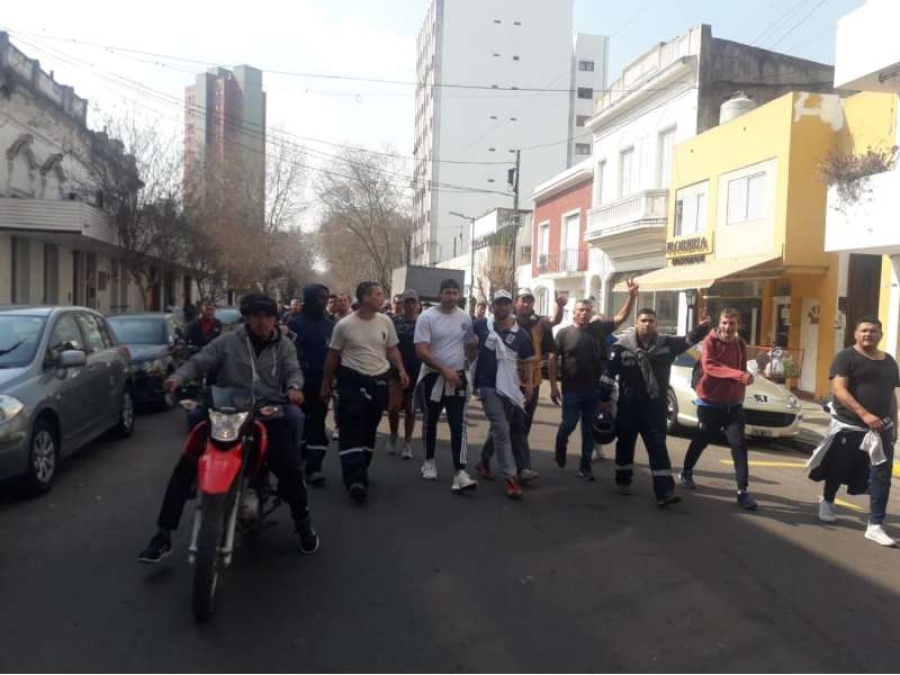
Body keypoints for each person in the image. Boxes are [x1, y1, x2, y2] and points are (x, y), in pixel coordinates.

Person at [138, 294, 318, 563]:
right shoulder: (227, 341)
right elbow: (200, 361)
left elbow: (293, 371)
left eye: (268, 316)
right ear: (245, 318)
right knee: (186, 464)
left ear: (274, 319)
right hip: (226, 411)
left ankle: (303, 524)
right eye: (256, 316)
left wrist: (294, 388)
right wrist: (177, 377)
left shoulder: (285, 346)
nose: (262, 321)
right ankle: (163, 535)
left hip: (266, 413)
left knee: (290, 468)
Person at [601, 307, 710, 506]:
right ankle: (623, 480)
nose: (647, 324)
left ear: (656, 324)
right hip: (628, 407)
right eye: (643, 320)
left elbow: (688, 340)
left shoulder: (666, 344)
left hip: (655, 409)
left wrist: (702, 328)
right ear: (636, 322)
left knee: (658, 448)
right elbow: (608, 375)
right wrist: (603, 401)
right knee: (625, 445)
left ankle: (664, 492)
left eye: (651, 320)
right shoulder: (621, 347)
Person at [807, 317, 899, 546]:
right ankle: (827, 501)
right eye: (865, 330)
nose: (869, 334)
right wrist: (864, 414)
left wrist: (895, 424)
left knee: (881, 476)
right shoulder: (846, 357)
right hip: (850, 425)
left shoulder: (889, 361)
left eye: (874, 331)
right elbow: (838, 388)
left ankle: (875, 525)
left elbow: (891, 395)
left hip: (882, 428)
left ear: (881, 334)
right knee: (839, 467)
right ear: (856, 334)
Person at [322, 282, 409, 504]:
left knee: (369, 428)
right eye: (378, 294)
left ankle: (361, 469)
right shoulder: (344, 325)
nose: (383, 298)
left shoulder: (385, 321)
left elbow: (392, 349)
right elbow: (332, 357)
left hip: (378, 380)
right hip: (351, 381)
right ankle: (355, 481)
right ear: (365, 298)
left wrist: (400, 369)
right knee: (351, 428)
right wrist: (326, 384)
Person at [549, 284, 638, 481]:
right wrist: (554, 386)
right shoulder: (563, 334)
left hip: (593, 391)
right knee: (569, 424)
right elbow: (553, 359)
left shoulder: (598, 330)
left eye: (588, 310)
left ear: (591, 313)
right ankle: (560, 444)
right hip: (571, 390)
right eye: (581, 310)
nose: (584, 313)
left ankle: (585, 465)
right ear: (574, 313)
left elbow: (620, 318)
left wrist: (631, 297)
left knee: (589, 429)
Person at [679, 307, 758, 510]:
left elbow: (741, 368)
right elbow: (711, 367)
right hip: (710, 403)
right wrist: (740, 376)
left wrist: (745, 379)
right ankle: (686, 471)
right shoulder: (710, 342)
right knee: (702, 438)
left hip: (733, 405)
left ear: (737, 324)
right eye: (724, 322)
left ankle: (743, 491)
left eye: (732, 323)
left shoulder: (740, 343)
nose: (727, 327)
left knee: (739, 445)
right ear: (719, 323)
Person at [414, 278, 479, 491]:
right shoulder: (427, 317)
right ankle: (429, 461)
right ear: (440, 294)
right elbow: (421, 350)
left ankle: (460, 472)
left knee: (458, 424)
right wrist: (444, 370)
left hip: (457, 377)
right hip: (433, 376)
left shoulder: (465, 318)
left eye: (455, 293)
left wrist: (473, 348)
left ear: (459, 295)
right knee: (430, 420)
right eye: (448, 293)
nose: (452, 297)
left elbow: (470, 351)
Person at [473, 290, 536, 500]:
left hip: (510, 387)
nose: (502, 307)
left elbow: (528, 359)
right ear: (493, 306)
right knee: (501, 428)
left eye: (506, 304)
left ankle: (483, 461)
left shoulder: (521, 334)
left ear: (512, 306)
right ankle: (510, 477)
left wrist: (528, 384)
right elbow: (466, 341)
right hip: (487, 386)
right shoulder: (482, 325)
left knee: (500, 429)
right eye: (498, 304)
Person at [288, 283, 335, 487]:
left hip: (321, 383)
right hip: (297, 383)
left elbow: (335, 355)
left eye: (326, 297)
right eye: (320, 297)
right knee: (298, 423)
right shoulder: (295, 324)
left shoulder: (330, 325)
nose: (325, 301)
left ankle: (314, 468)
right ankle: (295, 464)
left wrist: (331, 380)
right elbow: (289, 354)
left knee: (317, 423)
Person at [388, 289, 422, 459]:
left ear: (418, 305)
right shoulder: (394, 322)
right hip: (396, 370)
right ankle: (393, 434)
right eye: (406, 302)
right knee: (393, 407)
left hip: (417, 371)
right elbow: (389, 346)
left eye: (413, 302)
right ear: (402, 304)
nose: (410, 305)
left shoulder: (423, 323)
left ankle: (408, 443)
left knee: (410, 409)